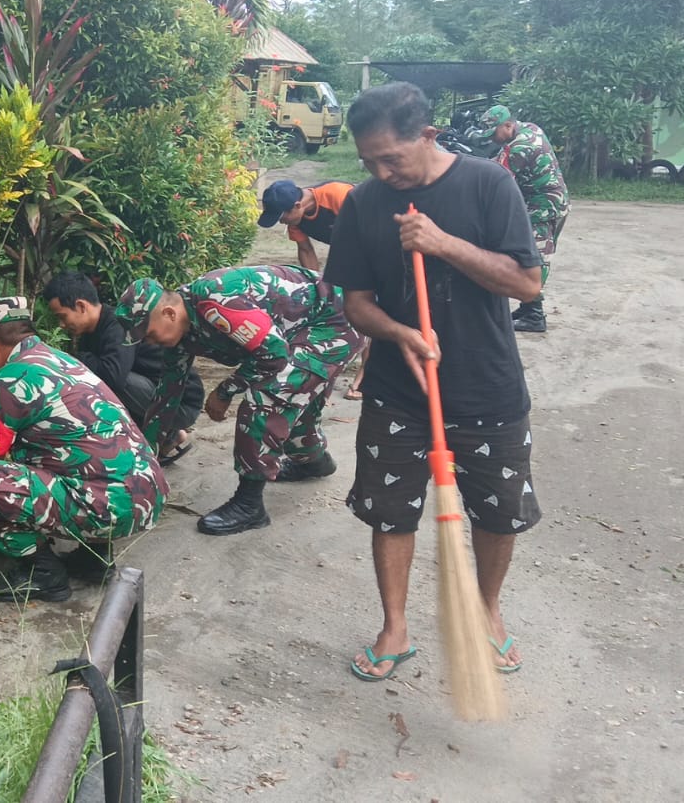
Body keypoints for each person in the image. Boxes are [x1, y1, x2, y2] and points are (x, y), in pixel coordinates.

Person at [326, 82, 544, 681]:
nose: (379, 171)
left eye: (390, 157)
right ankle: (394, 626)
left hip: (487, 387)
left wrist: (441, 243)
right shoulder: (364, 203)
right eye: (368, 160)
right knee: (389, 512)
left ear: (428, 135)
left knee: (498, 513)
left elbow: (528, 284)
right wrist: (399, 333)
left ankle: (487, 610)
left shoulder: (487, 184)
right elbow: (356, 303)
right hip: (400, 392)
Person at [0, 297, 168, 602]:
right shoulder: (64, 361)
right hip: (148, 494)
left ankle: (43, 574)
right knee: (58, 454)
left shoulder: (8, 381)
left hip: (109, 507)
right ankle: (94, 559)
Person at [115, 265, 356, 537]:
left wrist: (224, 392)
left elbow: (273, 355)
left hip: (335, 318)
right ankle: (312, 461)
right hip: (300, 327)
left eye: (148, 334)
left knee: (268, 396)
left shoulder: (214, 301)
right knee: (295, 398)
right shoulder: (181, 332)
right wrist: (147, 458)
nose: (151, 342)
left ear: (168, 313)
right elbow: (167, 394)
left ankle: (249, 505)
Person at [41, 271, 205, 465]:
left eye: (62, 316)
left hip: (182, 406)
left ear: (80, 306)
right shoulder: (89, 333)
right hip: (156, 398)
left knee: (113, 381)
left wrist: (77, 359)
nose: (61, 324)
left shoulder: (117, 325)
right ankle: (170, 436)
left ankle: (156, 438)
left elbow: (113, 378)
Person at [258, 179, 371, 399]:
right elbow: (306, 249)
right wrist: (318, 286)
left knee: (367, 310)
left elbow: (372, 231)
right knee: (337, 309)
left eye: (282, 216)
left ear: (297, 205)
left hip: (374, 249)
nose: (282, 222)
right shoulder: (297, 219)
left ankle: (367, 376)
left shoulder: (339, 196)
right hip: (348, 252)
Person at [479, 104, 570, 333]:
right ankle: (527, 308)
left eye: (495, 133)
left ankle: (534, 316)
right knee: (532, 254)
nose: (493, 140)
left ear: (508, 125)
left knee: (534, 258)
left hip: (543, 208)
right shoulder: (531, 129)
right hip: (554, 204)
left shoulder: (519, 147)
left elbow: (496, 178)